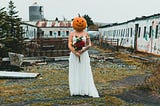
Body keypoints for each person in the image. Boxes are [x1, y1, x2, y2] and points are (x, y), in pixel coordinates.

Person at [68, 16, 99, 98]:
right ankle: (76, 90)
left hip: (84, 54)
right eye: (77, 22)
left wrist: (82, 50)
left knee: (84, 70)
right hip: (74, 55)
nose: (79, 23)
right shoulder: (72, 34)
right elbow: (69, 44)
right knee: (75, 70)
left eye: (81, 22)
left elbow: (89, 44)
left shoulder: (86, 33)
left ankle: (84, 89)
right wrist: (75, 52)